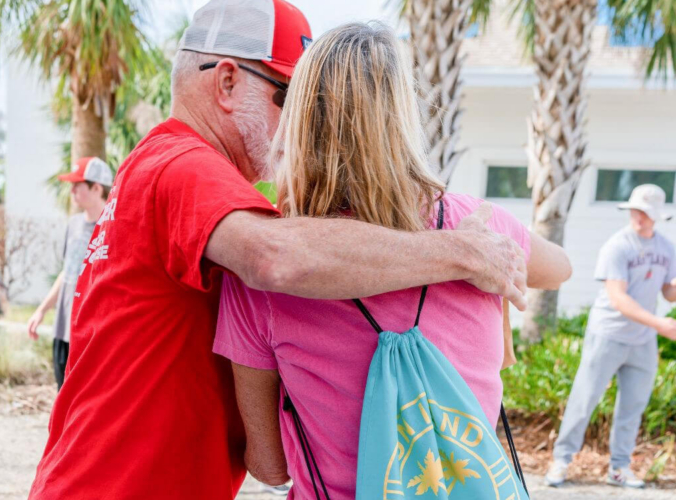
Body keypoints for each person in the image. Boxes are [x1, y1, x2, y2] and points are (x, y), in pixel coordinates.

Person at [28, 1, 530, 498]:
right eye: (288, 96)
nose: (303, 122)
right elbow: (275, 258)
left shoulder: (167, 166)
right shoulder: (184, 164)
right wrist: (463, 252)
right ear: (227, 82)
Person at [212, 23, 572, 499]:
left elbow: (269, 466)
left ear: (300, 119)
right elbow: (560, 268)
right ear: (403, 115)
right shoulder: (480, 231)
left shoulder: (261, 270)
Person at [545, 184, 676, 489]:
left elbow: (668, 293)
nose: (639, 216)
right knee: (584, 399)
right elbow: (618, 298)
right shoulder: (617, 246)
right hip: (608, 334)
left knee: (633, 405)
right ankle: (561, 460)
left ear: (657, 215)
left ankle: (619, 468)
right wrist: (659, 324)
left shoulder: (666, 248)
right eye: (636, 210)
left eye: (645, 212)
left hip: (642, 340)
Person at [26, 156, 113, 390]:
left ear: (97, 188)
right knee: (63, 393)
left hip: (93, 333)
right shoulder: (73, 225)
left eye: (77, 185)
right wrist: (41, 310)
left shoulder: (112, 227)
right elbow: (67, 272)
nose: (72, 191)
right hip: (64, 329)